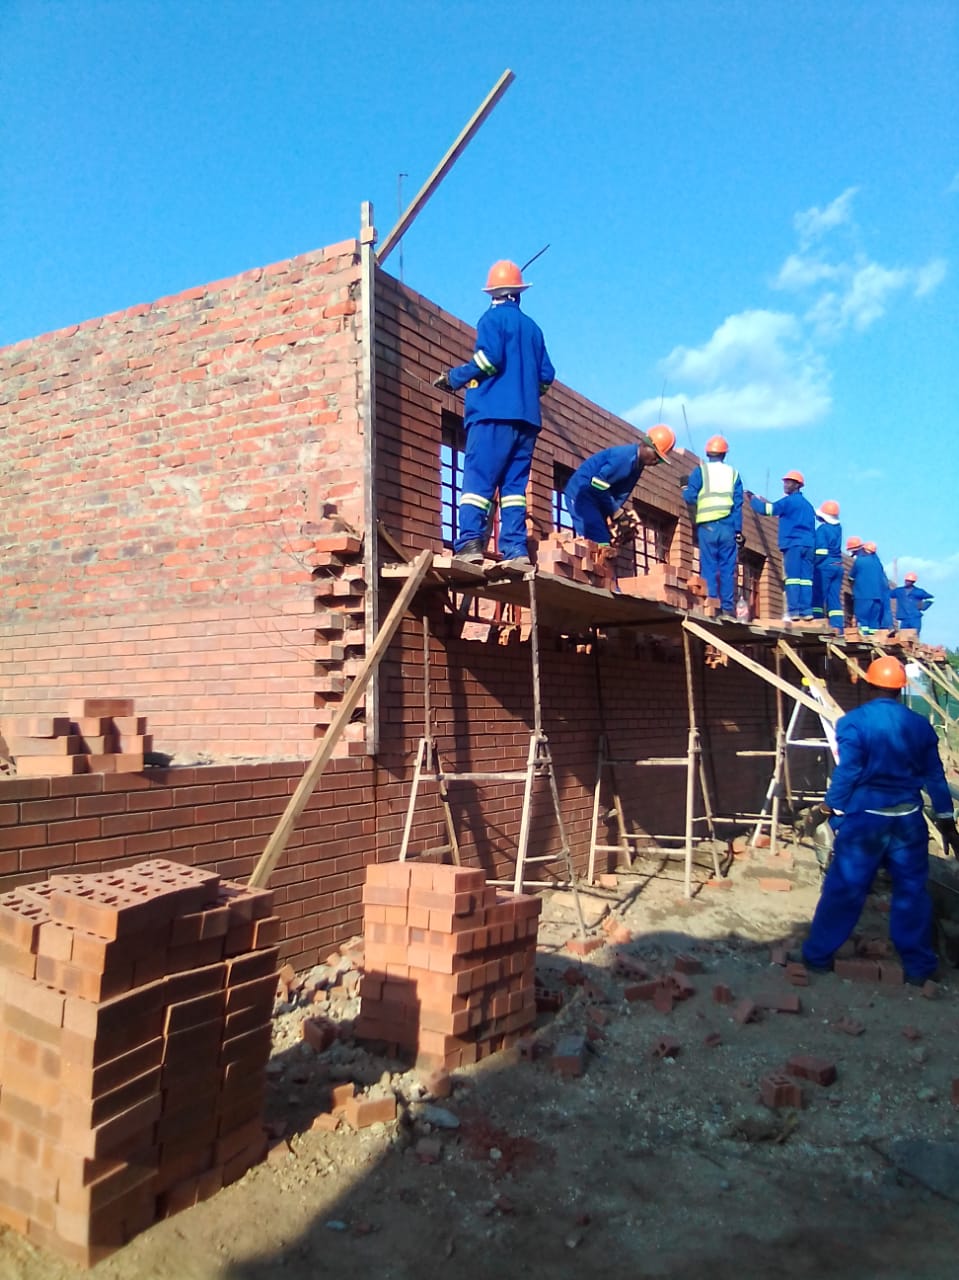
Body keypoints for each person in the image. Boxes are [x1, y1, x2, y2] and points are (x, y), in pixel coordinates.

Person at [802, 655, 959, 984]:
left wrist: (828, 808)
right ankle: (919, 968)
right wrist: (946, 821)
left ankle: (817, 957)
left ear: (869, 686)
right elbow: (935, 777)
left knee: (845, 887)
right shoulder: (920, 725)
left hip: (866, 822)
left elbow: (849, 771)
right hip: (908, 822)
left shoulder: (853, 723)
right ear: (901, 690)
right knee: (912, 892)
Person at [434, 260, 555, 572]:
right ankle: (516, 550)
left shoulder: (491, 319)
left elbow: (489, 359)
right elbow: (546, 376)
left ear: (492, 293)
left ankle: (471, 544)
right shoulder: (534, 329)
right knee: (514, 489)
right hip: (526, 422)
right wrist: (525, 392)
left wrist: (455, 377)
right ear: (518, 294)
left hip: (491, 416)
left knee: (478, 481)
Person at [564, 425, 676, 546]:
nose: (656, 462)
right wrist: (616, 512)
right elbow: (597, 484)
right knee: (598, 540)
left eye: (660, 460)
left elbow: (617, 494)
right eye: (657, 456)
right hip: (581, 494)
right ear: (645, 445)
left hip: (595, 498)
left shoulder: (637, 465)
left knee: (603, 541)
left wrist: (614, 518)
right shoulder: (625, 459)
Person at [680, 435, 744, 620]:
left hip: (708, 526)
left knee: (708, 566)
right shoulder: (733, 474)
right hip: (728, 528)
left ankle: (711, 604)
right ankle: (726, 609)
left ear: (708, 453)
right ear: (724, 454)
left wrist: (685, 490)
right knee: (727, 569)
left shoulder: (700, 471)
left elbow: (690, 497)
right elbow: (738, 505)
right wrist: (737, 531)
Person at [747, 470, 816, 620]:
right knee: (806, 580)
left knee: (792, 578)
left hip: (793, 544)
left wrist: (752, 499)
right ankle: (806, 612)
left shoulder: (789, 501)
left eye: (789, 482)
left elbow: (767, 510)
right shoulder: (808, 507)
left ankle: (794, 612)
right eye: (785, 482)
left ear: (798, 485)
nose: (785, 485)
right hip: (808, 545)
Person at [811, 500, 844, 633]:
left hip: (825, 566)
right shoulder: (838, 528)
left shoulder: (822, 529)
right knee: (834, 598)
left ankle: (818, 622)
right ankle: (838, 627)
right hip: (838, 565)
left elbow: (821, 552)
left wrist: (812, 562)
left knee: (818, 595)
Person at [850, 540, 889, 634]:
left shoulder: (860, 561)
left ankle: (864, 636)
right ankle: (873, 637)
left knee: (863, 619)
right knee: (873, 621)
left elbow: (851, 576)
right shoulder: (877, 563)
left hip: (863, 595)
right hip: (878, 596)